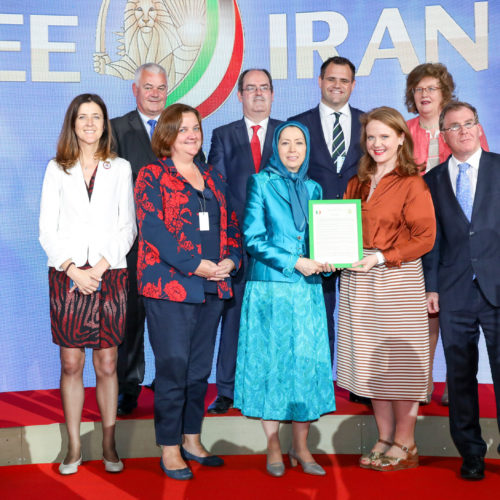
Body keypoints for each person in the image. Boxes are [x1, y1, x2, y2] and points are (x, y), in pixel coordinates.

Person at [134, 103, 241, 480]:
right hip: (169, 288)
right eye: (182, 129)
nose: (192, 134)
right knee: (173, 368)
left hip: (213, 287)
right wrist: (194, 264)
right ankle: (169, 446)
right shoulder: (151, 175)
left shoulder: (212, 176)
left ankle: (192, 438)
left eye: (195, 127)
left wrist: (231, 260)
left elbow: (232, 225)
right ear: (167, 135)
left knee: (198, 370)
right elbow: (152, 228)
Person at [39, 93, 136, 475]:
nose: (90, 124)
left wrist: (98, 268)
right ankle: (75, 446)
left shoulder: (121, 167)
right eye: (83, 117)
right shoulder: (55, 169)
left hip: (108, 273)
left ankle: (110, 444)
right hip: (67, 276)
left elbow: (127, 226)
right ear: (72, 124)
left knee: (108, 362)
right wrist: (73, 269)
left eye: (97, 117)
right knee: (70, 362)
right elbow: (47, 229)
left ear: (105, 124)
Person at [336, 107, 436, 471]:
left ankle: (406, 443)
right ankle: (384, 436)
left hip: (396, 278)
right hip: (358, 280)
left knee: (399, 367)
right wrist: (333, 254)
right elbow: (340, 227)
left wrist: (380, 258)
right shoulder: (357, 181)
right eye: (371, 137)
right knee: (370, 364)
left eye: (384, 136)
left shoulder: (413, 182)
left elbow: (425, 238)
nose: (377, 143)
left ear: (400, 139)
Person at [234, 121, 335, 477]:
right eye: (286, 144)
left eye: (299, 144)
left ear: (307, 150)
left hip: (307, 293)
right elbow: (252, 238)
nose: (293, 150)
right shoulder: (261, 182)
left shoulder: (315, 188)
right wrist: (295, 262)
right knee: (272, 367)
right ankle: (274, 445)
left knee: (305, 367)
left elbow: (322, 240)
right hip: (270, 290)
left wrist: (327, 261)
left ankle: (302, 447)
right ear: (275, 148)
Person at [423, 101, 500, 481]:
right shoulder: (432, 180)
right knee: (460, 377)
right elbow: (432, 242)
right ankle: (471, 453)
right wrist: (431, 288)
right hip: (453, 294)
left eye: (470, 123)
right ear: (444, 135)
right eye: (455, 126)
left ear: (479, 126)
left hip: (498, 289)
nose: (464, 130)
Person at [405, 63, 489, 405]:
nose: (425, 94)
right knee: (428, 309)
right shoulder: (404, 130)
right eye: (419, 89)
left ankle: (456, 384)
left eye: (431, 89)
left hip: (462, 237)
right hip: (419, 230)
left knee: (459, 313)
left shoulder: (465, 130)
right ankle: (424, 383)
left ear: (444, 93)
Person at [289, 57, 364, 403]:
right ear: (319, 81)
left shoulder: (368, 124)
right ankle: (319, 384)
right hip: (311, 242)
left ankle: (360, 386)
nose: (337, 85)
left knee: (359, 316)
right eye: (331, 78)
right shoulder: (297, 126)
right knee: (317, 317)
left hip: (359, 239)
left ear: (352, 84)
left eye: (344, 80)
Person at [207, 69, 282, 414]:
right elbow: (216, 190)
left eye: (263, 88)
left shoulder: (289, 133)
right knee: (233, 317)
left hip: (278, 245)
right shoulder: (223, 135)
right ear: (239, 95)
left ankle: (269, 384)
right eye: (250, 88)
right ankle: (227, 389)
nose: (257, 94)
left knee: (272, 319)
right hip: (236, 244)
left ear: (272, 93)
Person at [111, 62, 168, 416]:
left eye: (161, 88)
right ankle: (127, 387)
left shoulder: (179, 127)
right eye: (148, 87)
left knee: (169, 320)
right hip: (130, 245)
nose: (155, 94)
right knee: (130, 319)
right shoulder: (116, 129)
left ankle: (168, 383)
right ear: (135, 90)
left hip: (173, 247)